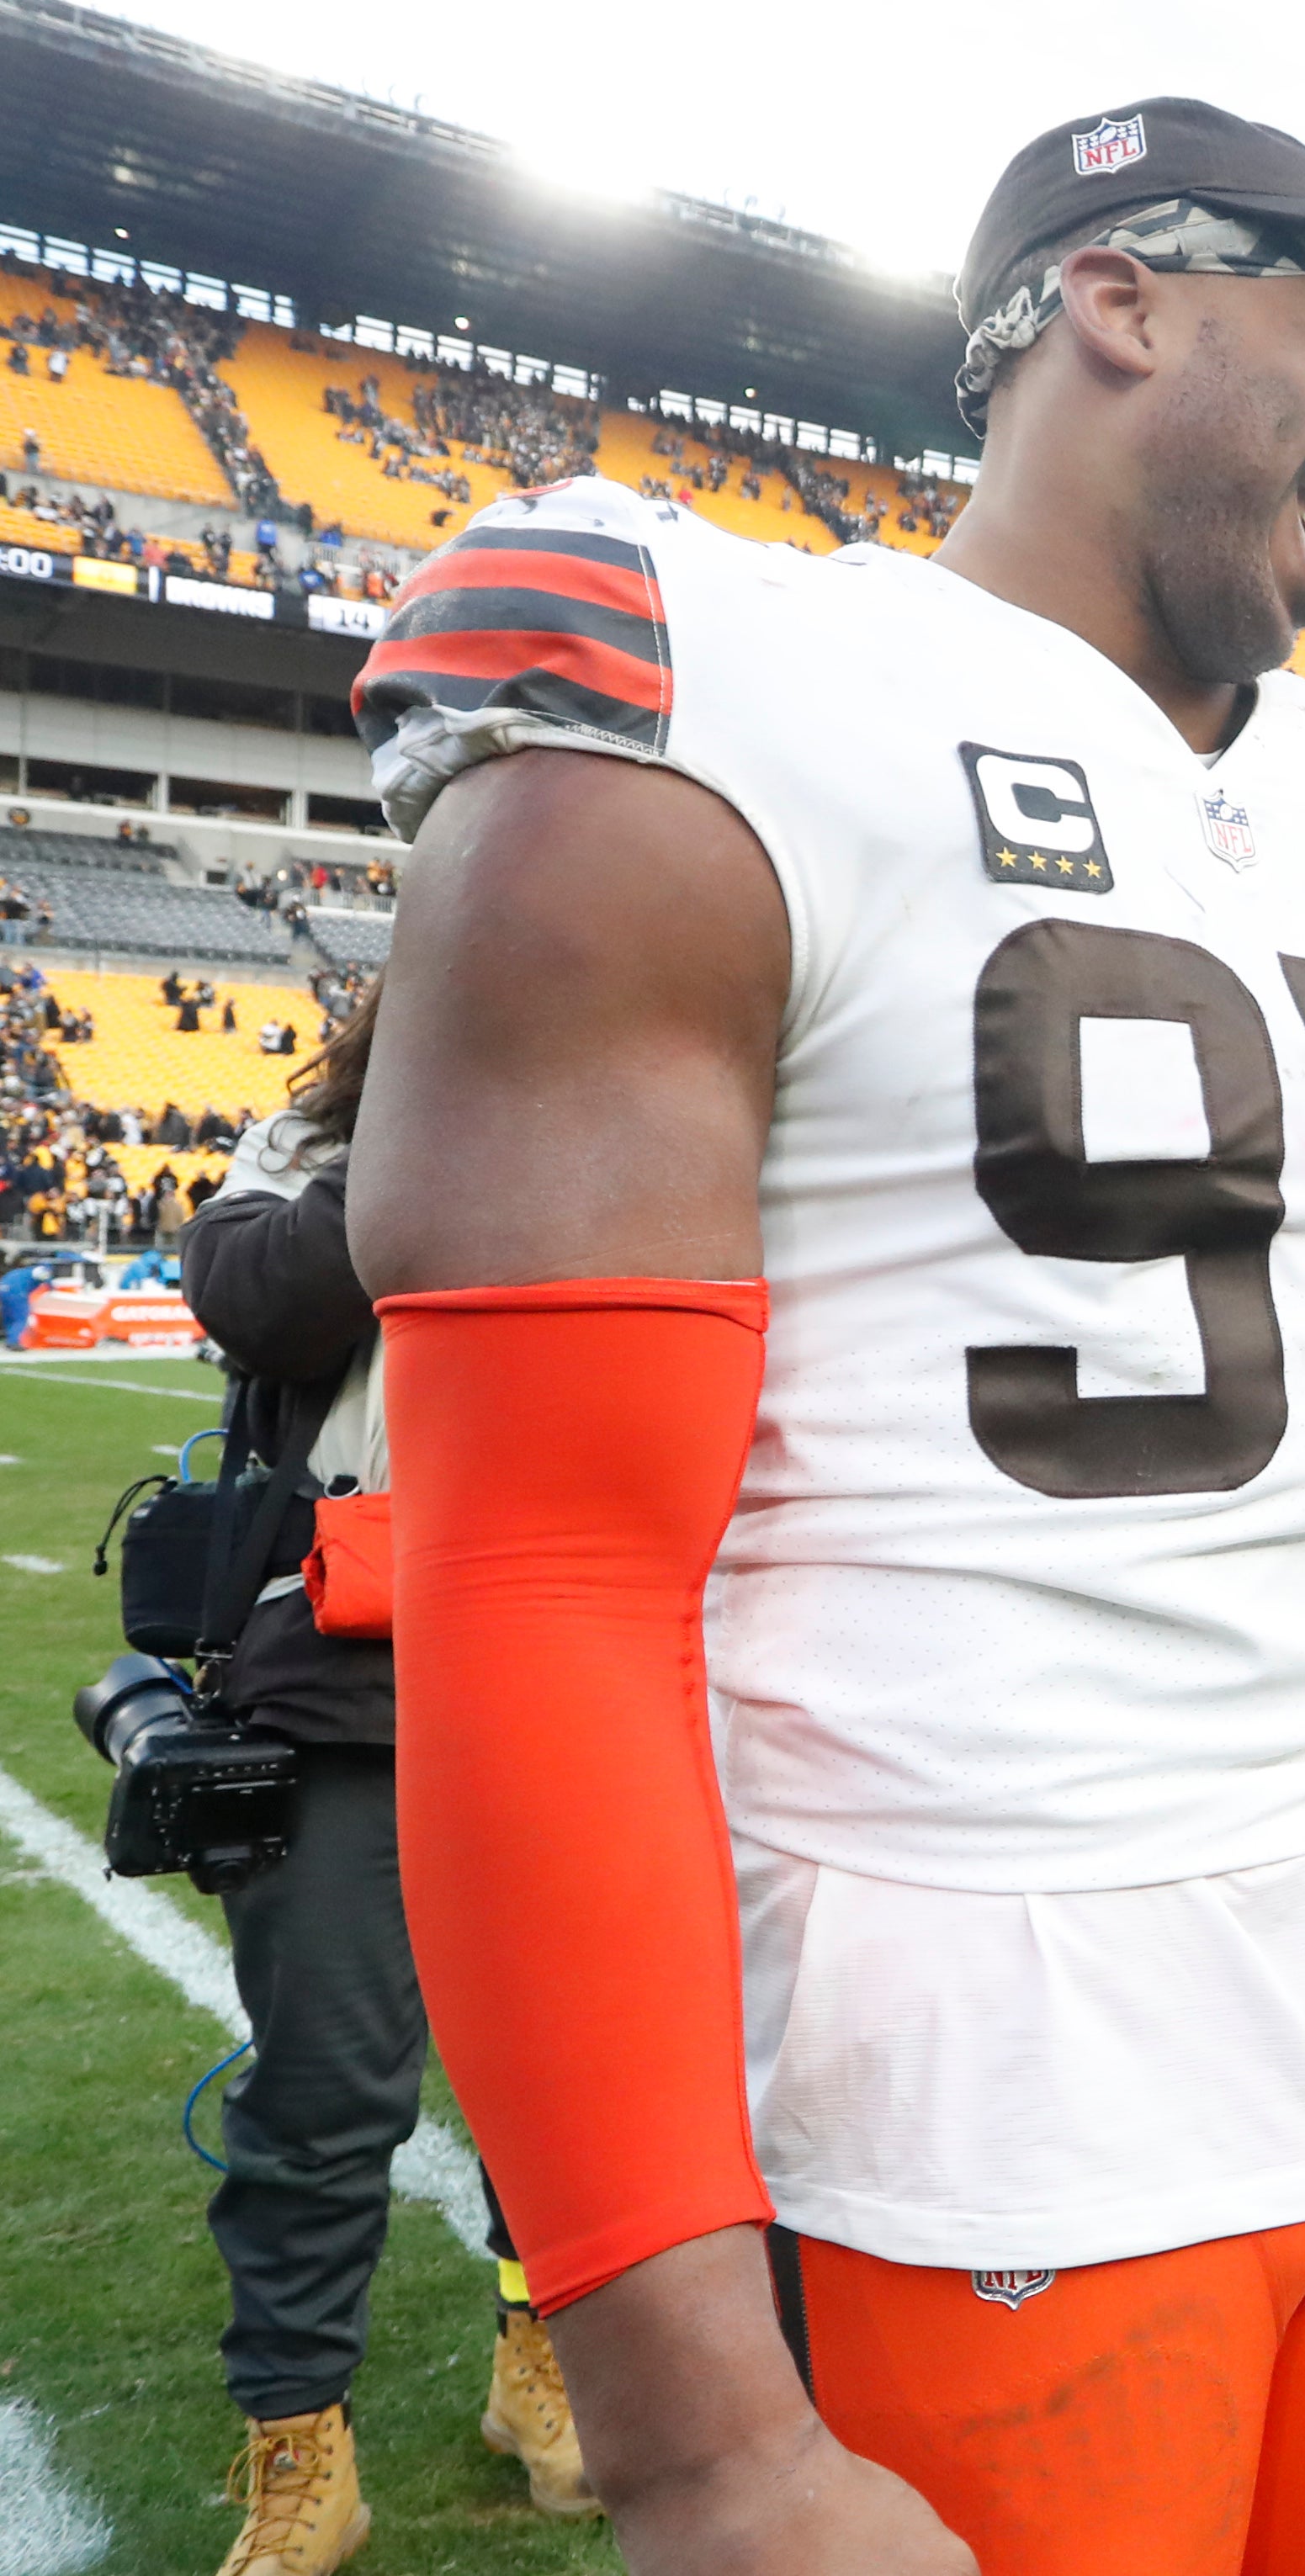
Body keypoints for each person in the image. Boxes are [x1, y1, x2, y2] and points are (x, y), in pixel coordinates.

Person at [347, 100, 1305, 2576]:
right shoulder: (710, 680)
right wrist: (704, 2433)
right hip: (976, 2097)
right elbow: (542, 1578)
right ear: (1118, 300)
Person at [178, 988, 591, 2576]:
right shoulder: (311, 1141)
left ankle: (540, 2360)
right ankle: (301, 2445)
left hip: (570, 1667)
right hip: (345, 1677)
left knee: (558, 2082)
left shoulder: (623, 1120)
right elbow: (261, 1301)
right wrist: (435, 1134)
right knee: (326, 2095)